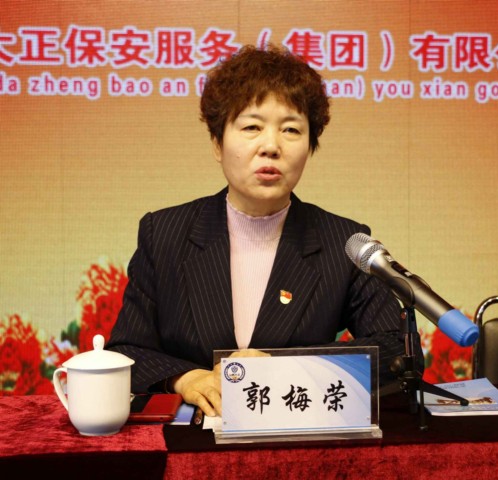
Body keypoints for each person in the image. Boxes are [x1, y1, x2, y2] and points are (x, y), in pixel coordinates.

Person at [106, 44, 408, 417]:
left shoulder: (342, 241)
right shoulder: (165, 234)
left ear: (310, 147)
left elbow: (396, 352)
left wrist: (284, 368)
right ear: (218, 143)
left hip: (299, 434)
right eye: (251, 127)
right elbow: (126, 350)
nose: (271, 146)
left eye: (291, 130)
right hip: (196, 437)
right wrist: (185, 379)